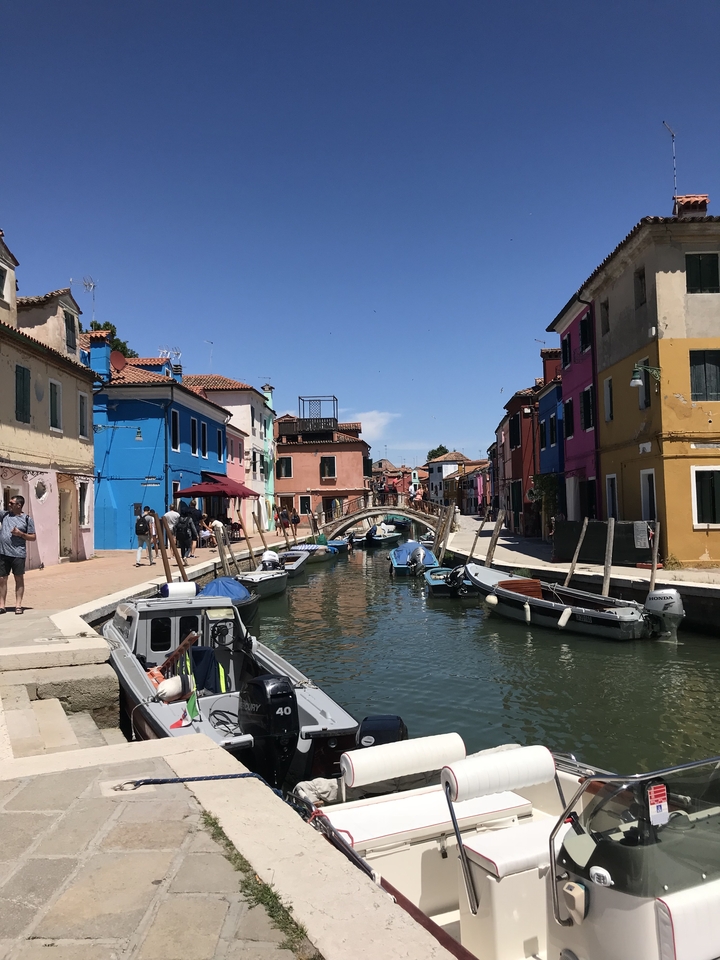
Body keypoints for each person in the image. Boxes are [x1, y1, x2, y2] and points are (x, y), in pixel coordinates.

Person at [0, 496, 37, 614]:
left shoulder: (27, 519)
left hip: (18, 554)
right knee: (2, 579)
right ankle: (2, 605)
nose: (9, 505)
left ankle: (18, 605)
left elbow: (33, 537)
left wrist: (20, 534)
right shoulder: (5, 515)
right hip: (3, 553)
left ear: (19, 505)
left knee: (18, 578)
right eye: (9, 503)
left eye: (12, 503)